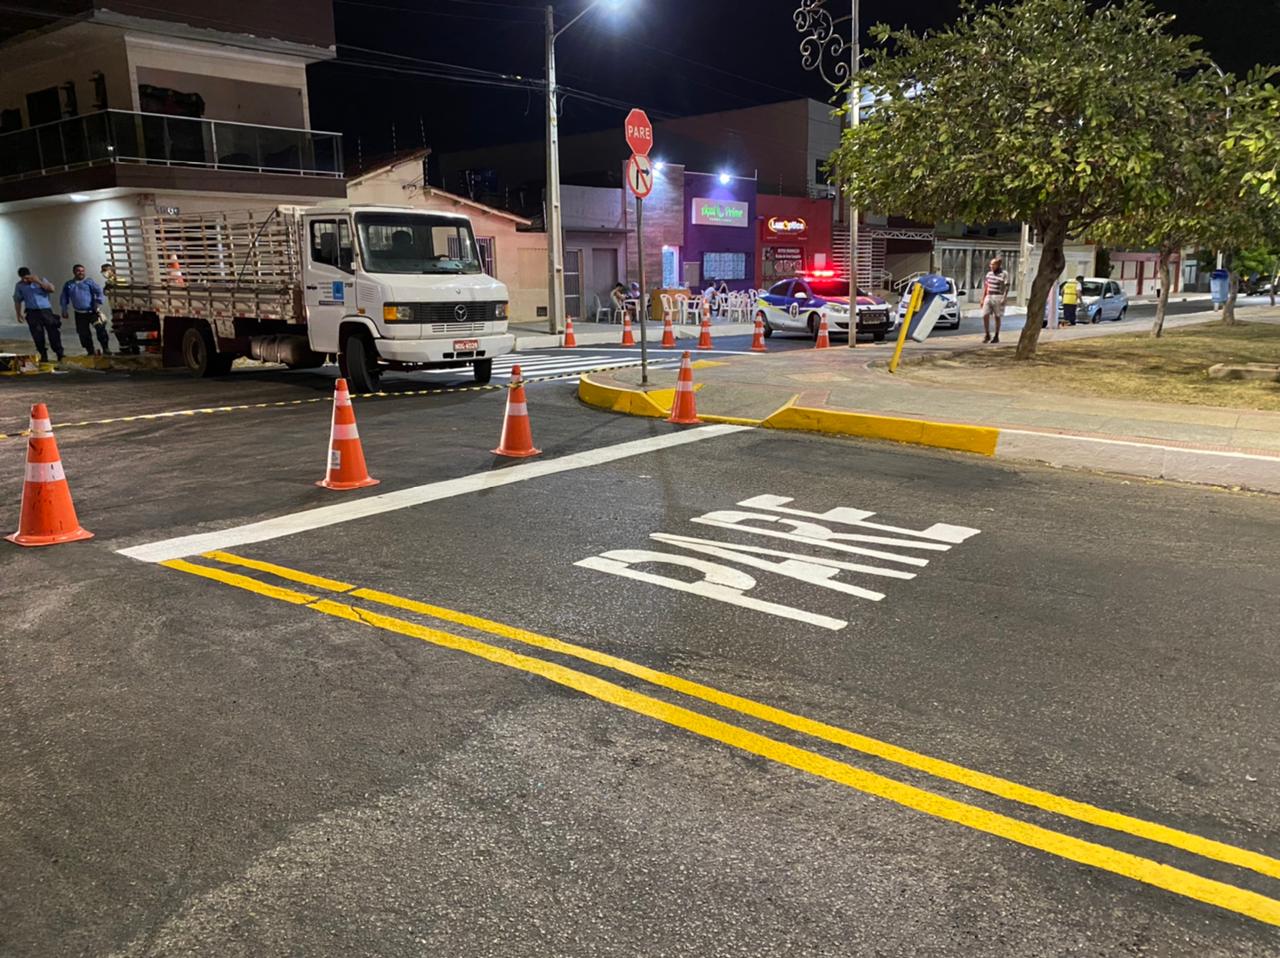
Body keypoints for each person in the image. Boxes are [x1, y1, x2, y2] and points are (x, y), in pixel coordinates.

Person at [13, 267, 64, 363]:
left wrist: (38, 282)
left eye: (27, 278)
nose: (25, 280)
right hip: (32, 312)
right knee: (37, 335)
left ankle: (59, 354)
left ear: (30, 275)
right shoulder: (19, 286)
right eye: (23, 278)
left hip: (46, 311)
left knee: (53, 333)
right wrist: (18, 314)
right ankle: (43, 355)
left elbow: (52, 289)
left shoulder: (41, 280)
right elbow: (17, 300)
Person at [60, 263, 110, 356]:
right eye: (78, 271)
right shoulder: (69, 285)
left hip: (92, 312)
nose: (81, 273)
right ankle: (90, 351)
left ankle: (105, 348)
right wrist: (64, 310)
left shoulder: (89, 282)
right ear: (74, 272)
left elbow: (99, 291)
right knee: (83, 333)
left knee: (100, 328)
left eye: (82, 271)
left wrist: (98, 302)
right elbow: (64, 298)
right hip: (80, 314)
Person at [979, 257, 1009, 344]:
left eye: (993, 264)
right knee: (985, 314)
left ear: (998, 265)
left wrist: (1004, 297)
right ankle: (987, 334)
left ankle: (996, 335)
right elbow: (986, 286)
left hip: (998, 296)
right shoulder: (989, 274)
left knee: (997, 316)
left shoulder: (1004, 274)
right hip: (989, 296)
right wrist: (983, 298)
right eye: (990, 264)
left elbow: (1007, 286)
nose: (991, 266)